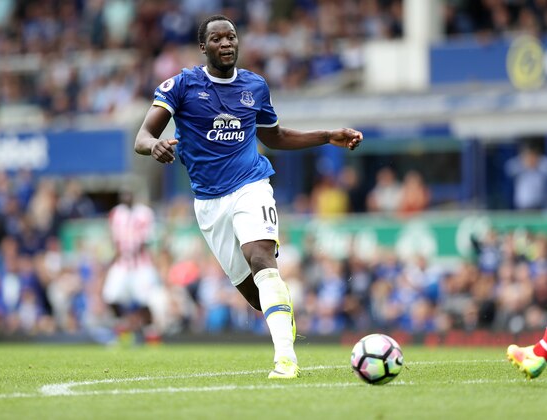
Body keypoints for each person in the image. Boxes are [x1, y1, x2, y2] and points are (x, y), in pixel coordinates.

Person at [134, 14, 363, 378]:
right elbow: (142, 136)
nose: (226, 44)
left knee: (261, 259)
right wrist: (155, 145)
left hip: (251, 185)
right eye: (217, 39)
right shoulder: (181, 85)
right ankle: (283, 321)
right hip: (209, 203)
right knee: (256, 296)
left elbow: (274, 136)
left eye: (231, 37)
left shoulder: (255, 86)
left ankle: (286, 360)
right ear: (203, 47)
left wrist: (325, 135)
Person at [101, 188, 164, 343]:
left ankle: (151, 333)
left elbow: (148, 238)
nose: (126, 197)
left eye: (129, 194)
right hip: (122, 262)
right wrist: (113, 258)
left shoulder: (144, 213)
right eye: (124, 194)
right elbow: (113, 237)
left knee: (145, 300)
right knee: (110, 295)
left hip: (140, 264)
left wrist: (135, 251)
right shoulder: (116, 213)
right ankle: (122, 327)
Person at [504, 144, 547, 211]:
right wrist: (524, 162)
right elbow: (508, 168)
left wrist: (536, 162)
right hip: (523, 205)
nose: (531, 158)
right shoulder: (519, 165)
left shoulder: (541, 165)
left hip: (539, 205)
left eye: (533, 155)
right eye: (529, 156)